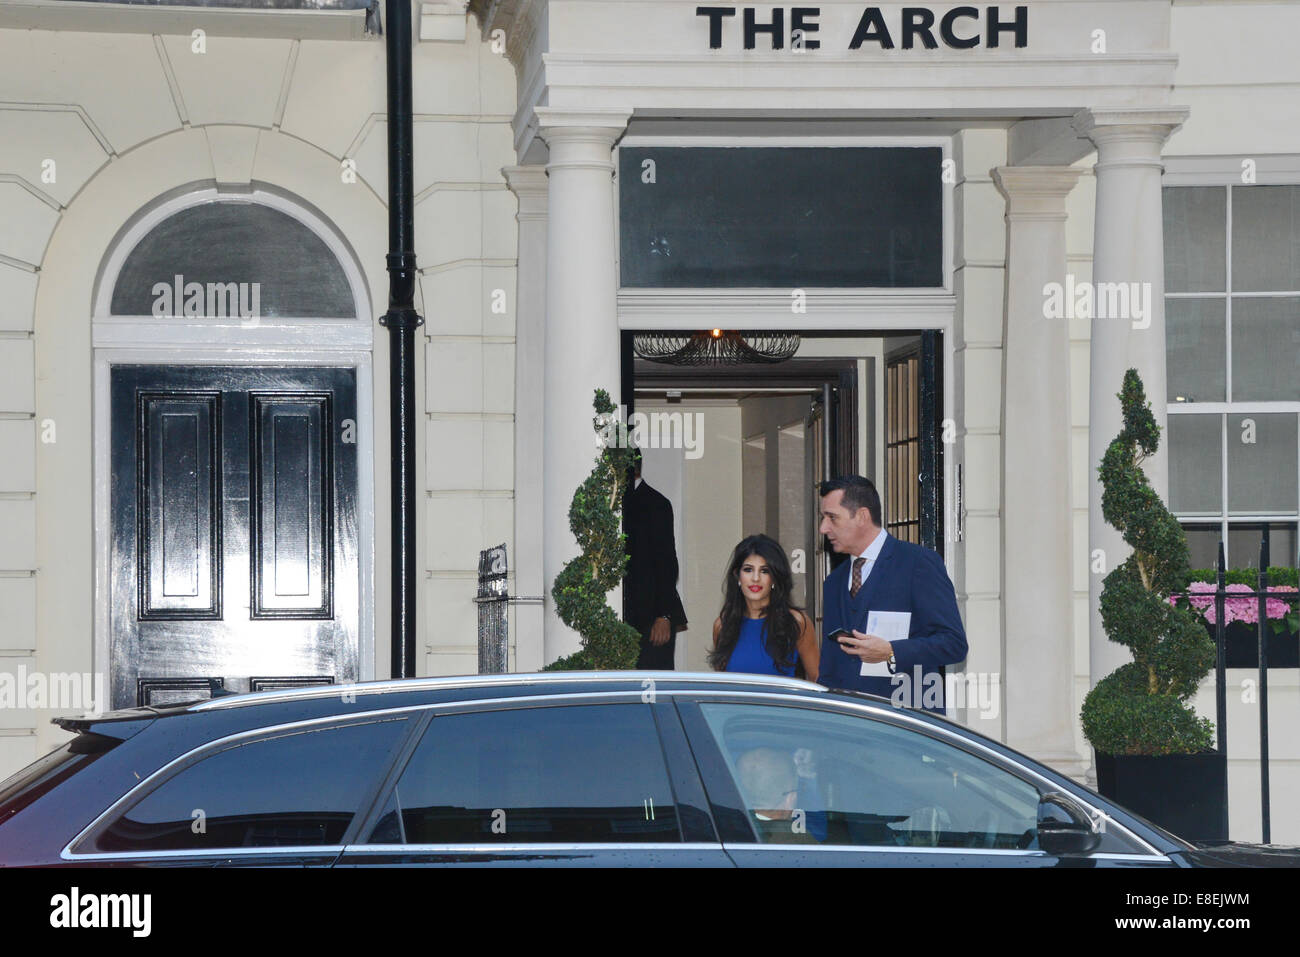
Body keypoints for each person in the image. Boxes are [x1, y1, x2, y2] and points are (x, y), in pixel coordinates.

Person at [816, 475, 966, 713]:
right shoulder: (834, 582)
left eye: (832, 517)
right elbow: (829, 667)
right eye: (823, 518)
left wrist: (891, 652)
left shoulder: (918, 563)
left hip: (904, 727)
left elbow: (954, 644)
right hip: (848, 730)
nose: (823, 528)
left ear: (862, 516)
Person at [709, 534, 819, 681]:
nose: (755, 578)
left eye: (764, 571)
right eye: (748, 569)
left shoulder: (796, 622)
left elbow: (816, 678)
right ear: (737, 576)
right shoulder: (722, 626)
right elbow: (723, 686)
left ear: (774, 577)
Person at [623, 450, 688, 669]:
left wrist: (664, 615)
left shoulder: (656, 503)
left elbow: (667, 562)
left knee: (654, 687)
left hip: (651, 618)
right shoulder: (617, 502)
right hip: (628, 617)